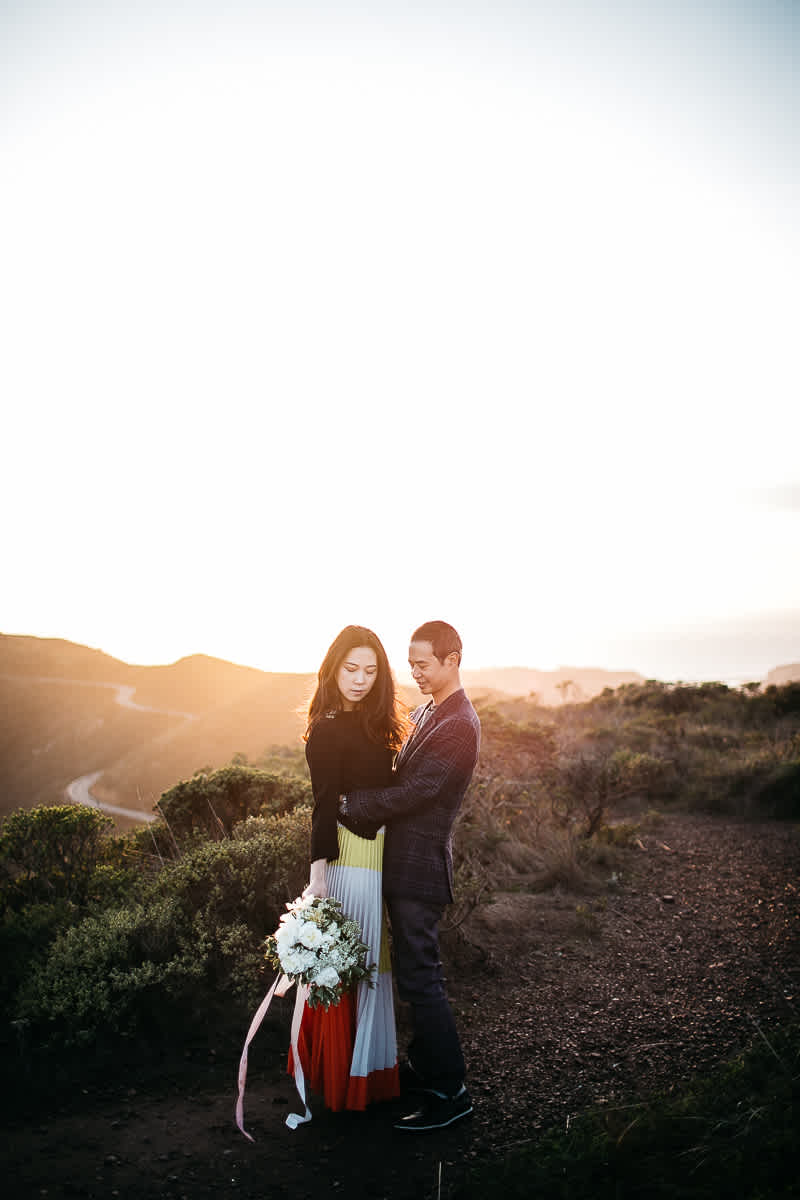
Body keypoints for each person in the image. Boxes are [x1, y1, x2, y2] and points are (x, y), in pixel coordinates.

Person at [339, 620, 481, 1132]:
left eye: (423, 664)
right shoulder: (428, 712)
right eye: (411, 665)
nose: (415, 673)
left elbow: (418, 791)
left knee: (422, 978)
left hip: (419, 869)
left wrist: (353, 804)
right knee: (413, 975)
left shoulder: (460, 723)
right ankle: (423, 1069)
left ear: (452, 659)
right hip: (399, 864)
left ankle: (450, 1092)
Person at [289, 625, 408, 1112]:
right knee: (350, 968)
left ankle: (371, 1074)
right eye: (351, 669)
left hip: (380, 857)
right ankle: (342, 1080)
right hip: (347, 859)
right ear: (333, 669)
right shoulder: (327, 728)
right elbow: (322, 806)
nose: (360, 680)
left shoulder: (379, 724)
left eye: (370, 671)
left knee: (373, 962)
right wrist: (318, 877)